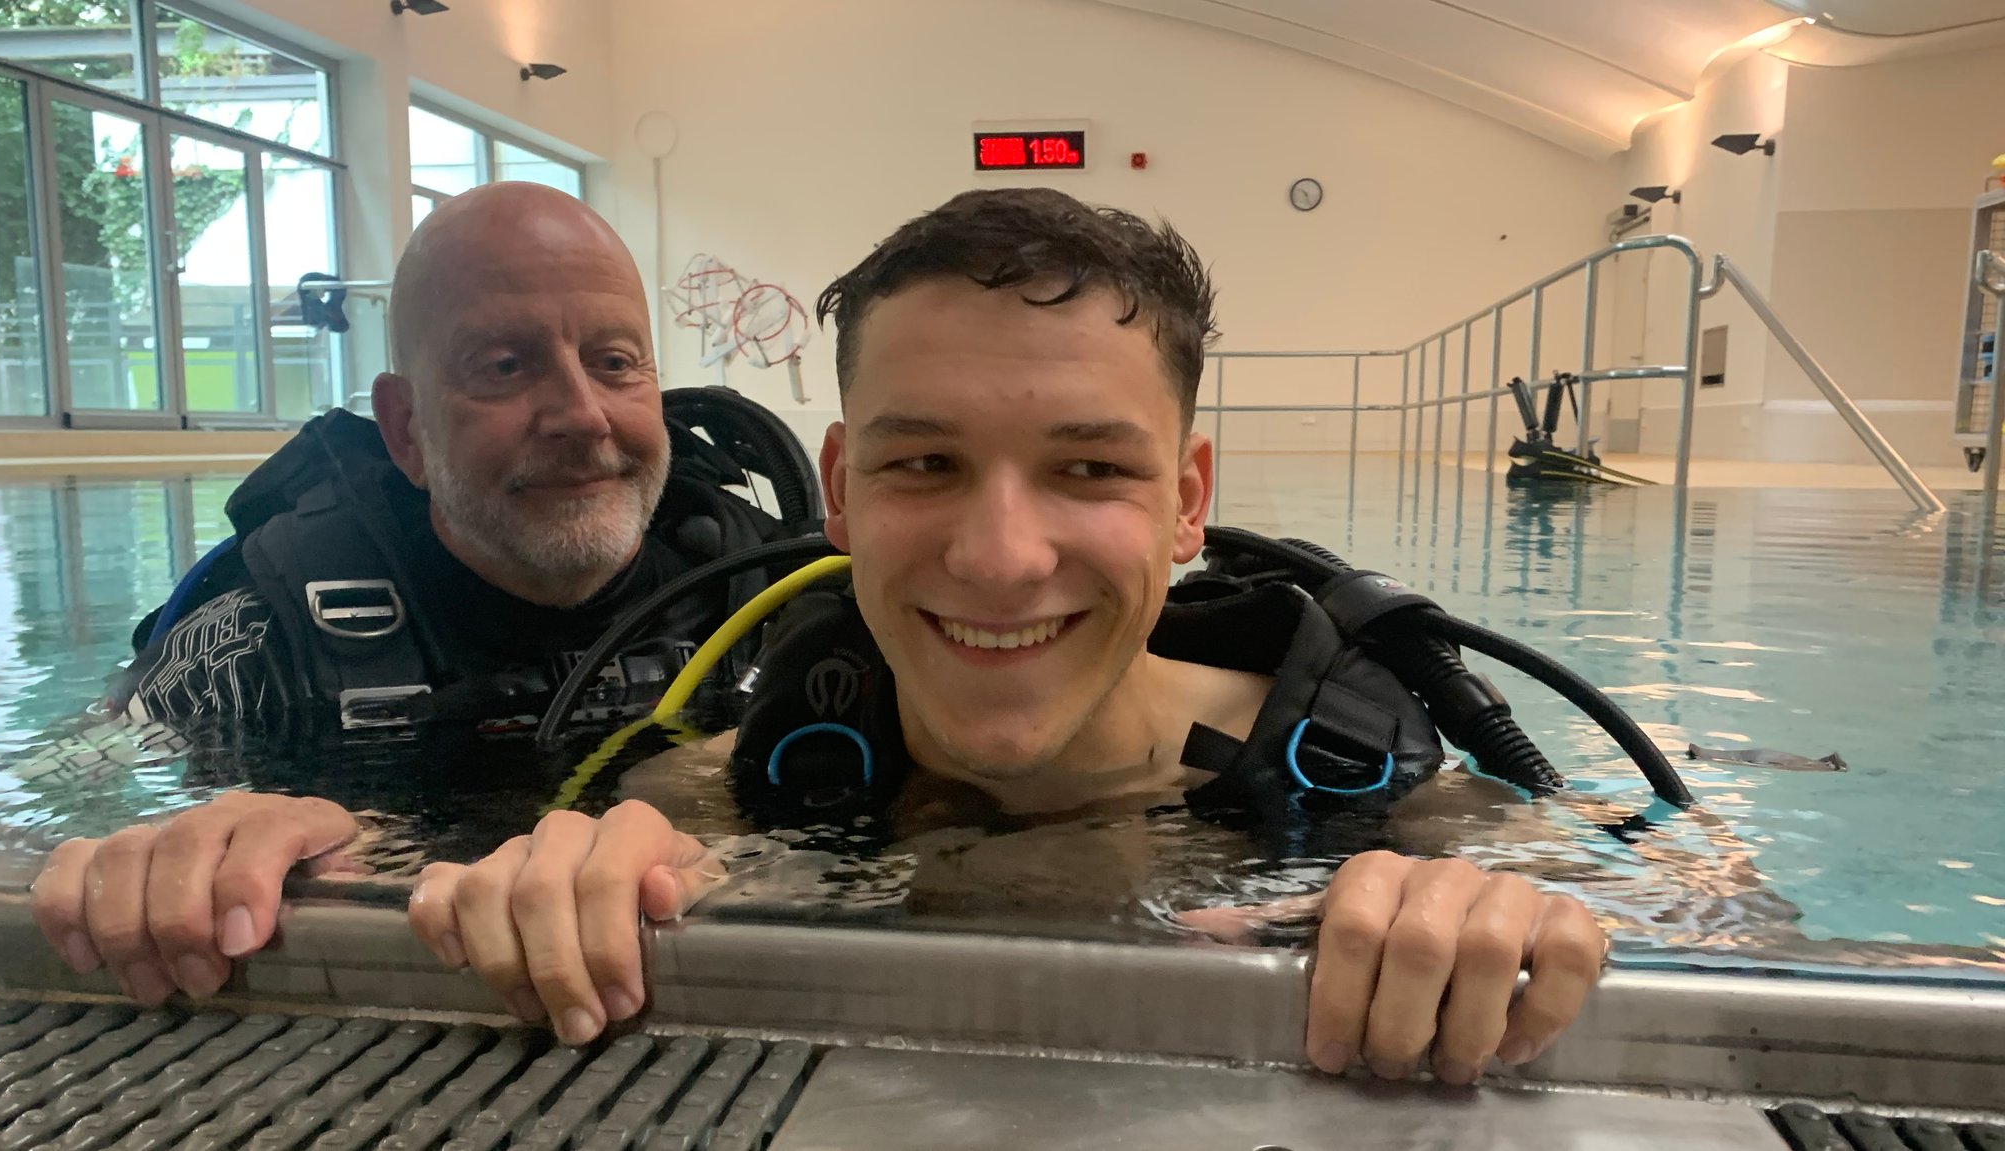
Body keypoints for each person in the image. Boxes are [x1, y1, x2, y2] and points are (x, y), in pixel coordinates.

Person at [403, 188, 1608, 1087]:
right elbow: (545, 877)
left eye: (1087, 467)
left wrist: (1512, 911)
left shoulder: (1382, 784)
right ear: (839, 487)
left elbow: (1698, 917)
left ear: (1187, 498)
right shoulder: (731, 782)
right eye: (924, 462)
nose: (998, 556)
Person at [29, 182, 809, 1006]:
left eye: (614, 363)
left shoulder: (774, 599)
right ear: (405, 429)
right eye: (504, 366)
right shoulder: (260, 634)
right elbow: (62, 789)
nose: (582, 415)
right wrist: (175, 851)